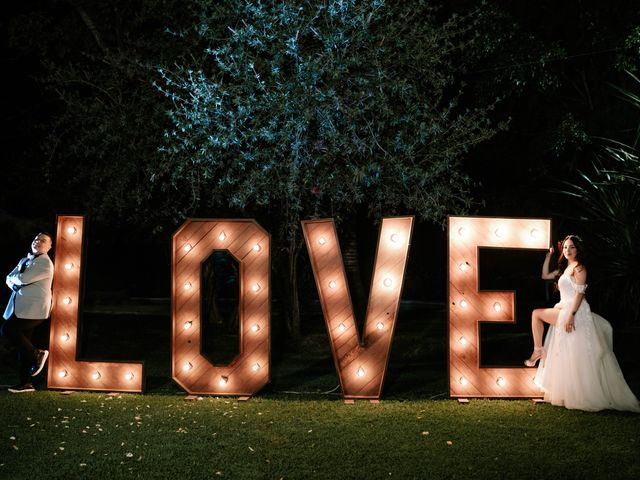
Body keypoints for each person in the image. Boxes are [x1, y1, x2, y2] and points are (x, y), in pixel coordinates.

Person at [524, 235, 640, 412]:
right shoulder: (565, 269)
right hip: (564, 307)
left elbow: (579, 294)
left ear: (578, 250)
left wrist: (571, 315)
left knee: (537, 315)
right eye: (565, 248)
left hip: (574, 310)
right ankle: (541, 353)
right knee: (565, 351)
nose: (568, 250)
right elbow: (544, 275)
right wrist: (549, 256)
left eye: (571, 247)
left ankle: (538, 350)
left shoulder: (579, 268)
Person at [1, 232, 54, 393]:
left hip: (35, 309)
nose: (38, 241)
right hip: (21, 307)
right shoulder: (24, 260)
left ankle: (36, 354)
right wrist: (16, 281)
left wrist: (16, 281)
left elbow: (22, 280)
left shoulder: (45, 263)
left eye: (43, 241)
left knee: (7, 329)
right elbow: (8, 278)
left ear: (49, 247)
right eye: (36, 239)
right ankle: (26, 383)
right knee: (22, 345)